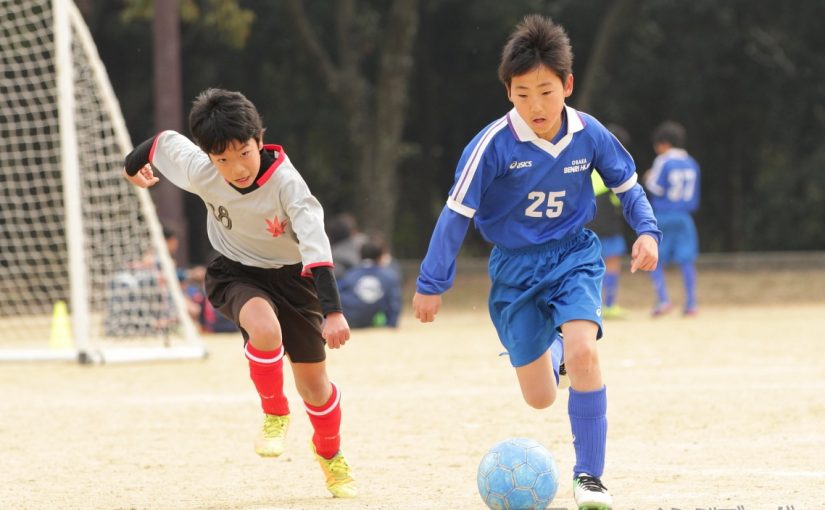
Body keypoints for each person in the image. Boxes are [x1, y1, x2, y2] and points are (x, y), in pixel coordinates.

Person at [411, 15, 660, 510]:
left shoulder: (589, 134)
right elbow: (455, 216)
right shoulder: (491, 146)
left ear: (567, 84)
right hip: (514, 270)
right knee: (540, 398)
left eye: (546, 92)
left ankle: (589, 477)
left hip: (573, 255)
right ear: (508, 92)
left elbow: (627, 185)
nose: (536, 106)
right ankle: (552, 347)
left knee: (585, 350)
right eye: (523, 94)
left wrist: (648, 232)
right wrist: (430, 282)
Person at [122, 88, 356, 498]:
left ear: (259, 140)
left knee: (315, 388)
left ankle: (331, 455)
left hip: (295, 281)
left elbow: (317, 250)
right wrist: (132, 166)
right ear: (209, 155)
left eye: (244, 153)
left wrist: (333, 312)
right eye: (222, 159)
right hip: (236, 272)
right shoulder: (202, 169)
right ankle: (274, 411)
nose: (236, 168)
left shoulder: (288, 185)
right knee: (264, 330)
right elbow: (161, 144)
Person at [643, 121, 701, 317]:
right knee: (686, 259)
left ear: (664, 143)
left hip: (664, 214)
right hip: (685, 216)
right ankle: (691, 303)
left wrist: (647, 177)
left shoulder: (664, 161)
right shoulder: (692, 163)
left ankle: (663, 299)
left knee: (655, 258)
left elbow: (655, 187)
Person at [589, 124, 633, 320]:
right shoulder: (617, 169)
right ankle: (609, 305)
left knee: (587, 265)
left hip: (585, 224)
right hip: (608, 224)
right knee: (612, 262)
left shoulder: (584, 164)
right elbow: (619, 200)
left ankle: (590, 307)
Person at [338, 234, 402, 328]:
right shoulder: (389, 275)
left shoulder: (349, 274)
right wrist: (392, 324)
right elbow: (394, 303)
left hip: (352, 321)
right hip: (378, 321)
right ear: (381, 256)